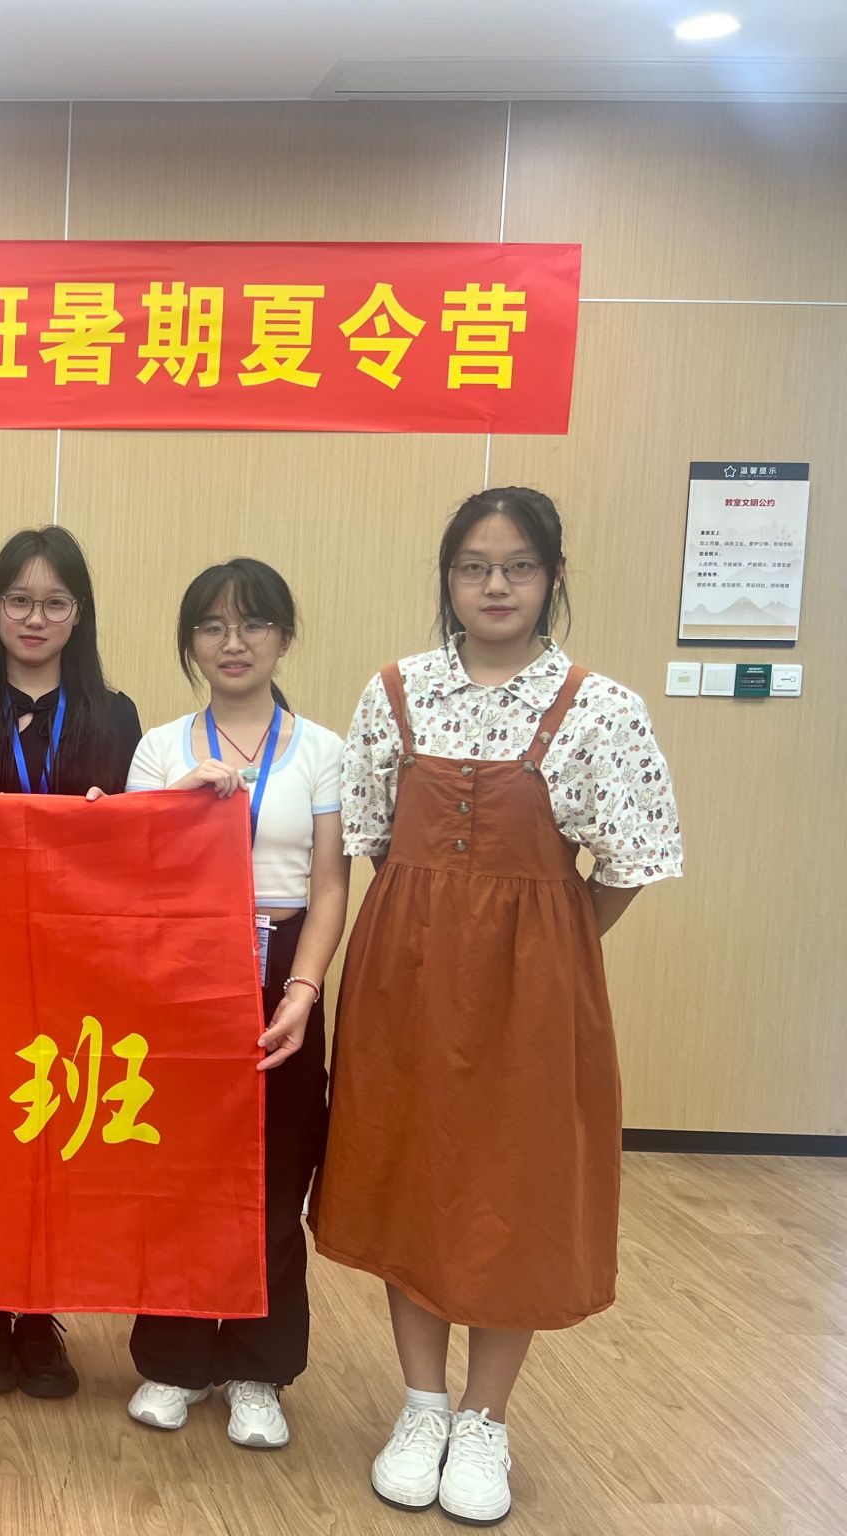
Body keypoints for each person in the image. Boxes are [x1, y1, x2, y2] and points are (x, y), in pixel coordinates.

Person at [311, 488, 683, 1524]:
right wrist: (437, 933)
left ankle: (484, 1419)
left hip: (534, 999)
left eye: (517, 566)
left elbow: (628, 862)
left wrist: (546, 948)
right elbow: (373, 842)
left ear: (552, 577)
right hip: (403, 984)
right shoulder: (394, 692)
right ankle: (420, 1406)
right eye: (473, 567)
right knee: (408, 1171)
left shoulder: (602, 708)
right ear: (448, 579)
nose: (494, 586)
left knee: (511, 1189)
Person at [124, 558, 350, 1451]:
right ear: (190, 644)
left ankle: (258, 1369)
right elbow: (130, 866)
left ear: (283, 637)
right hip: (182, 970)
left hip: (283, 965)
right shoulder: (160, 747)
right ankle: (173, 1360)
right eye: (213, 626)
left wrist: (303, 989)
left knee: (274, 1176)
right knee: (179, 1173)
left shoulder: (323, 749)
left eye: (253, 623)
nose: (234, 642)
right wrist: (176, 803)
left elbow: (330, 886)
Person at [0, 525, 140, 1400]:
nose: (35, 618)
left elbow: (137, 847)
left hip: (75, 961)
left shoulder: (113, 715)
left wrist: (108, 817)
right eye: (19, 600)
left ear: (79, 614)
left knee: (56, 1133)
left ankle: (41, 1311)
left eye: (54, 602)